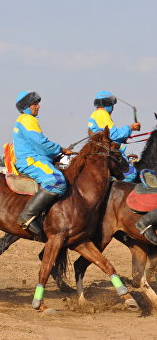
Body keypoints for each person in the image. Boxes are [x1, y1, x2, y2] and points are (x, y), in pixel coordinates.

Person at [13, 90, 75, 235]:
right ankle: (26, 216)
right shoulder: (27, 120)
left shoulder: (25, 119)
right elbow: (41, 143)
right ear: (27, 106)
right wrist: (60, 149)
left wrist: (56, 154)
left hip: (35, 158)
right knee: (57, 181)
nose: (38, 106)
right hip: (31, 161)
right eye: (35, 103)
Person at [87, 91, 140, 181]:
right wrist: (131, 128)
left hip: (101, 151)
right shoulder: (102, 114)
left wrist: (122, 139)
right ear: (107, 103)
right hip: (107, 153)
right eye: (112, 105)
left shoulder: (95, 114)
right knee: (131, 173)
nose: (113, 108)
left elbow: (108, 135)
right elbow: (114, 135)